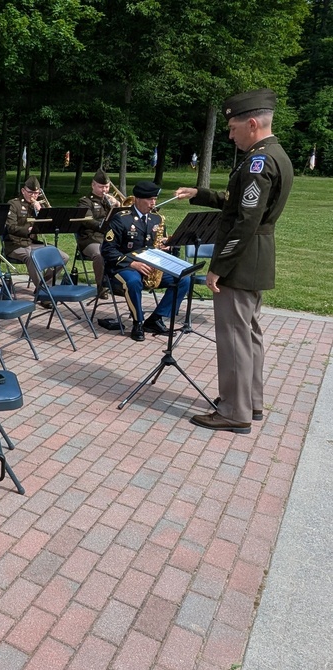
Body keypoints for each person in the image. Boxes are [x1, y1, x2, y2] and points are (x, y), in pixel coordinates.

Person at [175, 88, 292, 434]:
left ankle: (234, 411)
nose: (229, 135)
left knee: (234, 338)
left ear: (252, 123)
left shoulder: (258, 161)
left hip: (239, 261)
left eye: (233, 128)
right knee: (249, 334)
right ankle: (250, 402)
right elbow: (237, 201)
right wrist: (201, 193)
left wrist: (218, 267)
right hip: (255, 259)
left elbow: (245, 220)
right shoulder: (273, 155)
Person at [101, 181, 191, 342]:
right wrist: (132, 263)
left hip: (150, 267)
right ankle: (138, 322)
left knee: (184, 279)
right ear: (137, 199)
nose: (153, 203)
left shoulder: (156, 219)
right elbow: (107, 250)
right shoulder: (121, 219)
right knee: (134, 282)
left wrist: (166, 246)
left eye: (155, 199)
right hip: (123, 267)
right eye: (150, 199)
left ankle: (156, 319)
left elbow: (159, 243)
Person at [4, 176, 69, 294]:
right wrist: (27, 230)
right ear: (23, 191)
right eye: (30, 193)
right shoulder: (14, 204)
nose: (33, 196)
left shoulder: (38, 206)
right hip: (15, 244)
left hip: (33, 243)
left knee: (63, 257)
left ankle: (45, 286)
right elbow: (10, 227)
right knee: (31, 257)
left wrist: (41, 212)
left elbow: (51, 223)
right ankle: (42, 292)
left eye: (36, 193)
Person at [76, 169, 118, 298]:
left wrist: (117, 207)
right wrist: (104, 225)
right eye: (101, 187)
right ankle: (101, 286)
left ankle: (118, 284)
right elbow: (89, 222)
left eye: (106, 186)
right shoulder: (85, 201)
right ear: (93, 185)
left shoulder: (110, 201)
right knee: (100, 254)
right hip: (90, 238)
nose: (104, 190)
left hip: (109, 238)